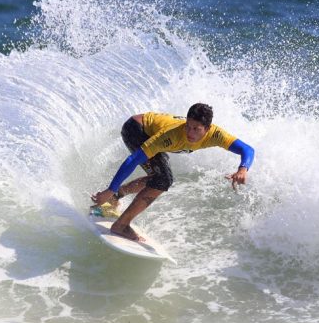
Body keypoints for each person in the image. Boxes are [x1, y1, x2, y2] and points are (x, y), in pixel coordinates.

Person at [91, 103, 255, 242]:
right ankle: (121, 224)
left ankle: (115, 197)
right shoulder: (171, 136)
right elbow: (133, 160)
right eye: (187, 126)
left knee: (160, 177)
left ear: (207, 129)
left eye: (196, 129)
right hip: (137, 129)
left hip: (148, 128)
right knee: (163, 180)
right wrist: (109, 188)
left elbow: (247, 149)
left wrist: (242, 169)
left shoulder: (216, 135)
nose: (190, 133)